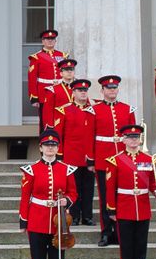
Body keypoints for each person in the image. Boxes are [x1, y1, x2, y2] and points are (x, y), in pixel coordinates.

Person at [17, 130, 78, 259]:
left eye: (54, 145)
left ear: (58, 148)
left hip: (59, 223)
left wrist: (67, 200)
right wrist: (23, 221)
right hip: (37, 220)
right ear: (41, 148)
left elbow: (73, 192)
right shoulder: (31, 170)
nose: (50, 148)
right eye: (47, 145)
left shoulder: (66, 169)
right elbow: (25, 197)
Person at [104, 124, 156, 259]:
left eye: (136, 137)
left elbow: (152, 181)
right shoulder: (115, 160)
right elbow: (110, 188)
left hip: (142, 207)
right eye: (130, 137)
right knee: (126, 247)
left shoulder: (148, 159)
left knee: (141, 247)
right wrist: (112, 210)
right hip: (124, 208)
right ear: (124, 140)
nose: (134, 140)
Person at [92, 75, 136, 246]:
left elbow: (133, 137)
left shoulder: (127, 109)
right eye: (108, 88)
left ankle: (120, 232)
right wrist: (91, 161)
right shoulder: (94, 110)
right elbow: (90, 137)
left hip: (124, 160)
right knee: (105, 197)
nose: (112, 90)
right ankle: (106, 233)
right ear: (102, 90)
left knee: (122, 197)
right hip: (103, 159)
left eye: (114, 88)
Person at [53, 79, 97, 226]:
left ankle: (87, 216)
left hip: (89, 156)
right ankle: (75, 215)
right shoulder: (64, 110)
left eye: (85, 90)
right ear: (73, 92)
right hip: (71, 156)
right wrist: (59, 155)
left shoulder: (93, 110)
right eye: (80, 90)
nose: (83, 93)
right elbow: (59, 134)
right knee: (74, 188)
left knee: (88, 188)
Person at [27, 30, 65, 128]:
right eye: (47, 39)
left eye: (52, 39)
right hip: (44, 93)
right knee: (45, 120)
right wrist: (34, 97)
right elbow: (32, 78)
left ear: (55, 41)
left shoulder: (62, 56)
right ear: (43, 41)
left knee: (61, 118)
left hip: (60, 91)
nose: (50, 41)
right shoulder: (36, 57)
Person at [41, 58, 78, 131]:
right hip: (59, 125)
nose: (69, 72)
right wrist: (50, 127)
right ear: (61, 73)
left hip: (77, 124)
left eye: (71, 70)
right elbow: (48, 111)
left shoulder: (80, 89)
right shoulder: (52, 90)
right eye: (66, 70)